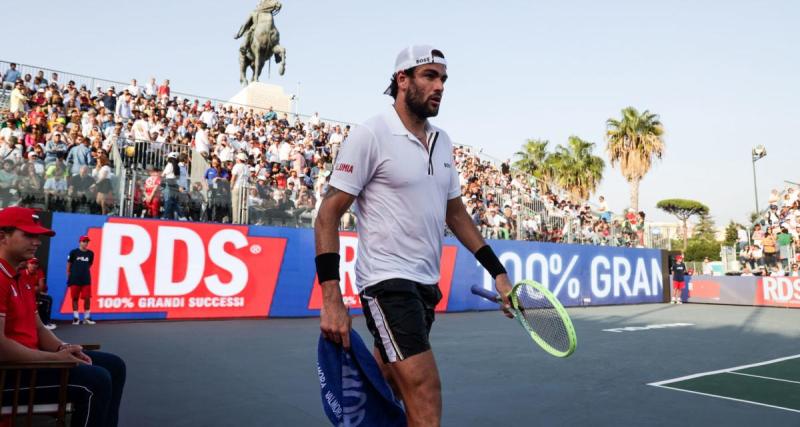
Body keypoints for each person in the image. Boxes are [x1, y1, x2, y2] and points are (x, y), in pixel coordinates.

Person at [315, 45, 513, 426]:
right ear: (402, 80)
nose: (439, 86)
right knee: (424, 393)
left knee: (386, 384)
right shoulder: (371, 134)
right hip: (387, 284)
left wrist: (499, 273)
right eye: (429, 76)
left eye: (443, 79)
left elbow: (455, 214)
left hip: (425, 286)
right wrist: (331, 299)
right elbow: (327, 215)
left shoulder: (443, 142)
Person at [0, 207, 125, 427]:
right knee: (95, 382)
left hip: (28, 364)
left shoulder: (21, 277)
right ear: (3, 236)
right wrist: (56, 360)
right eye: (28, 235)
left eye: (38, 236)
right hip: (10, 375)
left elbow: (38, 328)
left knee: (115, 365)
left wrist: (62, 348)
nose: (37, 241)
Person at [18, 257, 56, 330]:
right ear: (27, 265)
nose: (34, 265)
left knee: (48, 299)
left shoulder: (39, 272)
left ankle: (46, 322)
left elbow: (41, 287)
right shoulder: (21, 273)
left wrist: (34, 289)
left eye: (35, 264)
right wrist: (33, 288)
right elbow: (21, 287)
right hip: (23, 295)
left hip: (35, 295)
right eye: (32, 263)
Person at [67, 235, 95, 325]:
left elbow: (89, 265)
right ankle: (76, 318)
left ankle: (87, 317)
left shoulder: (91, 253)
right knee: (75, 298)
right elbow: (69, 265)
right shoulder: (73, 252)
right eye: (84, 241)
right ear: (80, 242)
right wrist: (69, 276)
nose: (85, 243)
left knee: (87, 298)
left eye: (87, 241)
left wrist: (83, 271)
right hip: (74, 278)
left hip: (86, 279)